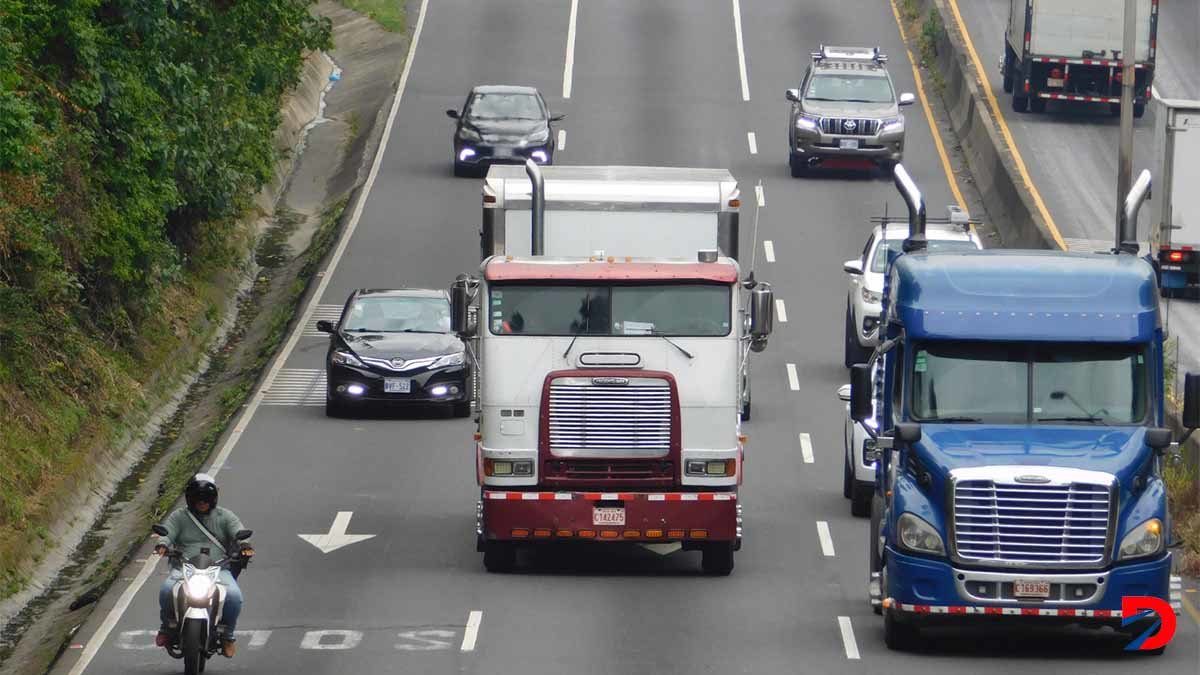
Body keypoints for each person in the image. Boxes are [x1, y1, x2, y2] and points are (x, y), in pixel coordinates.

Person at [154, 474, 253, 658]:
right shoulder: (179, 516)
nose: (202, 503)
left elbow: (238, 531)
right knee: (167, 589)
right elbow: (168, 532)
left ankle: (228, 637)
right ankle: (166, 627)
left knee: (235, 597)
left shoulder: (225, 516)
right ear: (190, 499)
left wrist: (245, 546)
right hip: (184, 568)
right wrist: (162, 544)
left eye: (206, 499)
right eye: (198, 499)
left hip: (218, 569)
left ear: (213, 499)